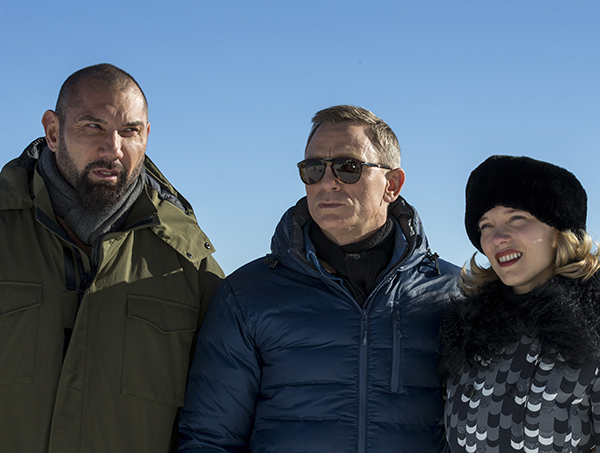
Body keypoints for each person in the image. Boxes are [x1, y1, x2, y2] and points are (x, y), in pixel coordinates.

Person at [178, 105, 460, 452]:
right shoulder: (247, 295)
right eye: (313, 169)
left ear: (392, 184)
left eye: (348, 167)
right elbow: (210, 438)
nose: (327, 183)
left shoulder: (453, 293)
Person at [0, 63, 224, 453]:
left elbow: (219, 417)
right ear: (53, 131)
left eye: (130, 131)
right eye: (93, 127)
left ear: (147, 135)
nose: (113, 149)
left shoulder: (188, 260)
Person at [440, 155, 600, 452]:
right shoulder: (466, 334)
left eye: (516, 219)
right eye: (486, 225)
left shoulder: (592, 325)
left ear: (558, 230)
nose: (498, 238)